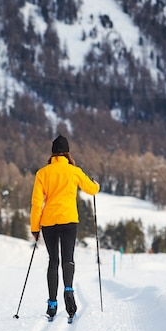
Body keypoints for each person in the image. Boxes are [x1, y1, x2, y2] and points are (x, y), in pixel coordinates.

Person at [30, 135, 99, 320]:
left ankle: (52, 303)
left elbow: (36, 204)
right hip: (69, 219)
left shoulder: (42, 173)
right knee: (68, 258)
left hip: (48, 222)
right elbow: (91, 189)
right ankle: (68, 291)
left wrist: (35, 228)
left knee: (53, 260)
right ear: (67, 153)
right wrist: (96, 185)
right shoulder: (73, 171)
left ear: (52, 153)